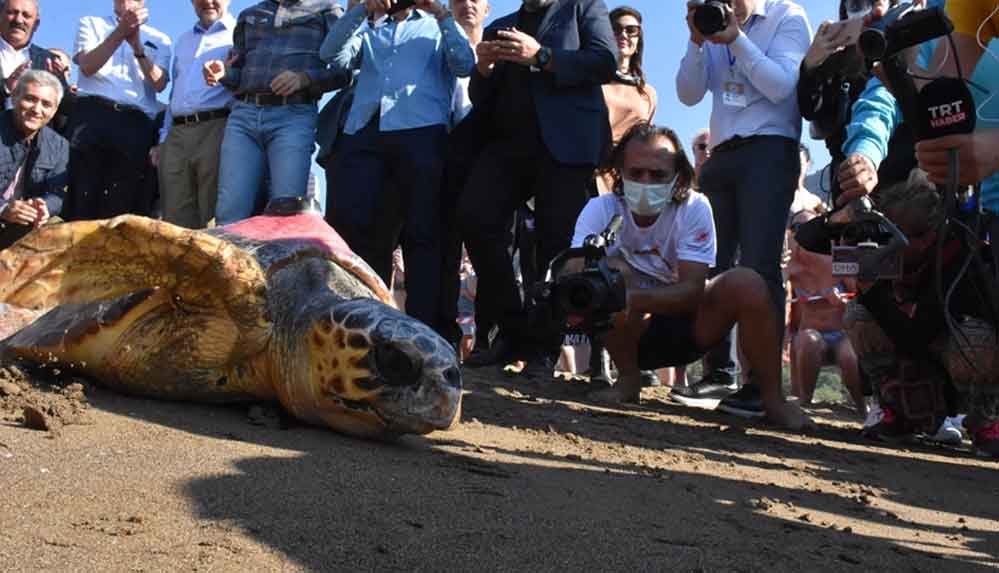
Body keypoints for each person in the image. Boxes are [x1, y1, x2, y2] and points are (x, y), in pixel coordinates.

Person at [569, 122, 810, 431]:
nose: (646, 181)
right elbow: (574, 271)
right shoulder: (599, 209)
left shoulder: (695, 207)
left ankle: (772, 399)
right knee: (606, 274)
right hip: (623, 333)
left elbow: (693, 291)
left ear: (678, 176)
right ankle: (628, 381)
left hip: (691, 329)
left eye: (658, 175)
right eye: (636, 173)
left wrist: (633, 298)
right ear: (619, 172)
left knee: (748, 282)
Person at [456, 0, 618, 378]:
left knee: (556, 245)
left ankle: (543, 349)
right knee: (474, 216)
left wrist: (541, 56)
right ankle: (514, 330)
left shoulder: (584, 7)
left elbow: (604, 61)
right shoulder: (502, 25)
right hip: (507, 147)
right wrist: (483, 68)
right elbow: (482, 96)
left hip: (567, 146)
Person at [674, 0, 811, 417]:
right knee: (711, 265)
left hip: (770, 151)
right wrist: (697, 42)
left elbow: (782, 86)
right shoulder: (712, 19)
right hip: (722, 154)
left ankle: (762, 386)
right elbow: (688, 93)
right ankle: (719, 374)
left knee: (760, 266)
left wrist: (736, 38)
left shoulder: (788, 17)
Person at [320, 0, 475, 335]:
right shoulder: (372, 28)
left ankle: (424, 331)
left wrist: (442, 15)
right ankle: (367, 326)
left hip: (422, 133)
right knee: (361, 234)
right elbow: (331, 56)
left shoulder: (437, 26)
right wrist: (361, 10)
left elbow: (464, 64)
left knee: (423, 233)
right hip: (365, 134)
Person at [843, 170, 998, 458]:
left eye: (891, 236)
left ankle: (985, 421)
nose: (883, 244)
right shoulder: (889, 259)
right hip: (920, 354)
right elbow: (810, 236)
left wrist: (874, 291)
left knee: (974, 339)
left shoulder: (956, 258)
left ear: (926, 239)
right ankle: (897, 412)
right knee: (857, 314)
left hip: (958, 359)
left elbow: (916, 337)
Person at [203, 0, 345, 225]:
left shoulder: (328, 10)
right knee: (230, 210)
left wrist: (305, 79)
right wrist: (222, 73)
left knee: (288, 210)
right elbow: (238, 74)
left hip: (294, 117)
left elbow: (345, 70)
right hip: (243, 116)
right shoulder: (249, 15)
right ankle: (229, 261)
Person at [66, 0, 171, 221]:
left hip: (136, 122)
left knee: (124, 201)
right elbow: (88, 66)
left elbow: (160, 84)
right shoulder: (90, 23)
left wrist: (138, 48)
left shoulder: (161, 39)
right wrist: (121, 33)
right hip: (92, 115)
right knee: (82, 196)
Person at [152, 0, 235, 229]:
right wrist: (163, 139)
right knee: (174, 218)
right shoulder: (183, 40)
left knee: (213, 216)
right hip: (177, 134)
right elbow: (174, 94)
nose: (207, 2)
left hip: (217, 127)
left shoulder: (240, 34)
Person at [785, 210, 863, 414]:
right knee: (808, 341)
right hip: (809, 335)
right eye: (797, 228)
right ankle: (804, 403)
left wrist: (842, 301)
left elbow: (862, 296)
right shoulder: (790, 266)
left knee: (849, 356)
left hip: (842, 333)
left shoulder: (839, 255)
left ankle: (863, 408)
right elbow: (778, 301)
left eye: (809, 227)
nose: (803, 234)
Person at [0, 70, 68, 250]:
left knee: (58, 228)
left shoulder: (60, 145)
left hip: (21, 225)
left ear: (54, 111)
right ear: (14, 97)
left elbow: (57, 193)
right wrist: (4, 209)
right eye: (30, 99)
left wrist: (45, 207)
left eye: (46, 104)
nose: (37, 109)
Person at [595, 5, 657, 196]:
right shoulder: (591, 81)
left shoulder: (648, 93)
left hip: (627, 180)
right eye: (616, 29)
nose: (623, 34)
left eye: (631, 30)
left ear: (639, 40)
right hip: (590, 174)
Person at [790, 144, 825, 214]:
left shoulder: (815, 201)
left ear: (808, 165)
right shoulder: (777, 195)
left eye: (800, 164)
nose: (796, 168)